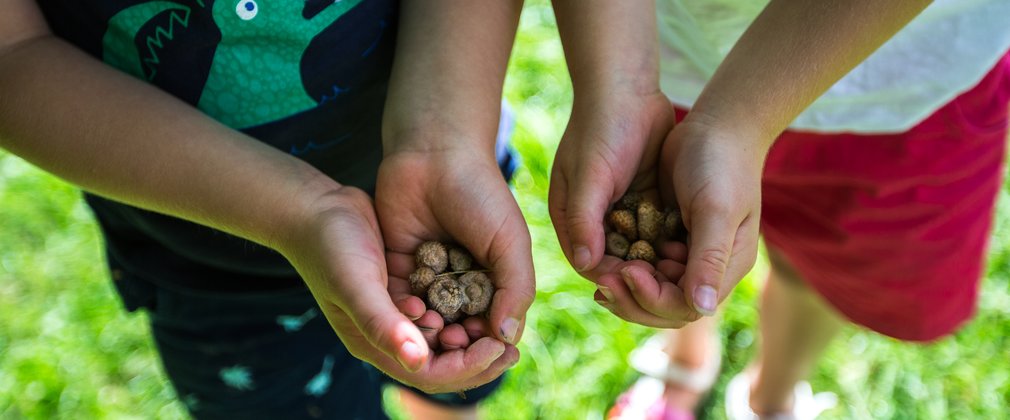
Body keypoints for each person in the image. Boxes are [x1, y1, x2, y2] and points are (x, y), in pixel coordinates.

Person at [0, 0, 534, 418]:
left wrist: (444, 142)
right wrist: (303, 212)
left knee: (453, 380)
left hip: (448, 190)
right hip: (214, 278)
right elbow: (12, 53)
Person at [548, 0, 1010, 418]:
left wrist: (740, 120)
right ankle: (686, 356)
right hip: (663, 64)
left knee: (814, 275)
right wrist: (617, 87)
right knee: (692, 241)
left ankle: (772, 397)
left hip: (903, 91)